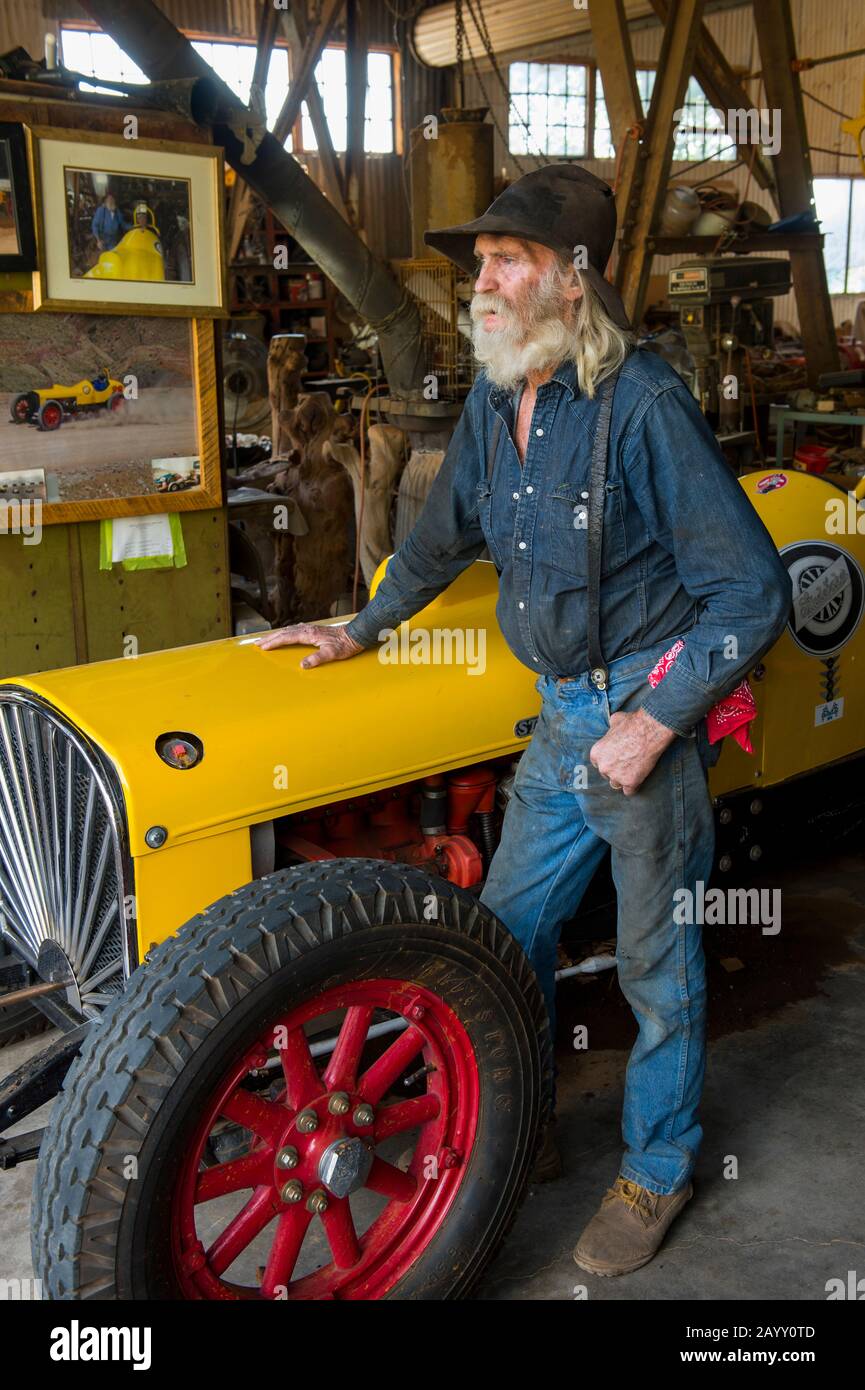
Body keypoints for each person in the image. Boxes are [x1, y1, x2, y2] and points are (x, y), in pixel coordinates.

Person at [256, 164, 791, 1278]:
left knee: (656, 967)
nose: (480, 282)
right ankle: (519, 1121)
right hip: (556, 729)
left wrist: (651, 726)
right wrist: (362, 626)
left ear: (572, 278)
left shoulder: (643, 406)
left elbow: (750, 592)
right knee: (502, 943)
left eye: (505, 261)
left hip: (640, 722)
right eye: (481, 263)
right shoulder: (499, 400)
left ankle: (656, 1168)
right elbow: (443, 533)